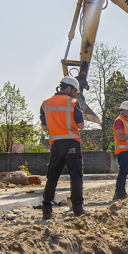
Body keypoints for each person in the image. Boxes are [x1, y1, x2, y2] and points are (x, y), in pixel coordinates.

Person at [39, 76, 85, 220]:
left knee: (52, 177)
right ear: (69, 88)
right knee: (76, 176)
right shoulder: (73, 103)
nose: (75, 94)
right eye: (74, 91)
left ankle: (46, 209)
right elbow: (81, 126)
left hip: (56, 145)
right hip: (71, 143)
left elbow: (44, 128)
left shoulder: (45, 104)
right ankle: (78, 209)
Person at [112, 100, 128, 201]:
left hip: (126, 150)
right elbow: (120, 136)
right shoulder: (119, 121)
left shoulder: (125, 121)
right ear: (124, 110)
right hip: (122, 151)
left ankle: (122, 191)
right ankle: (119, 191)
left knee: (125, 171)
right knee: (123, 171)